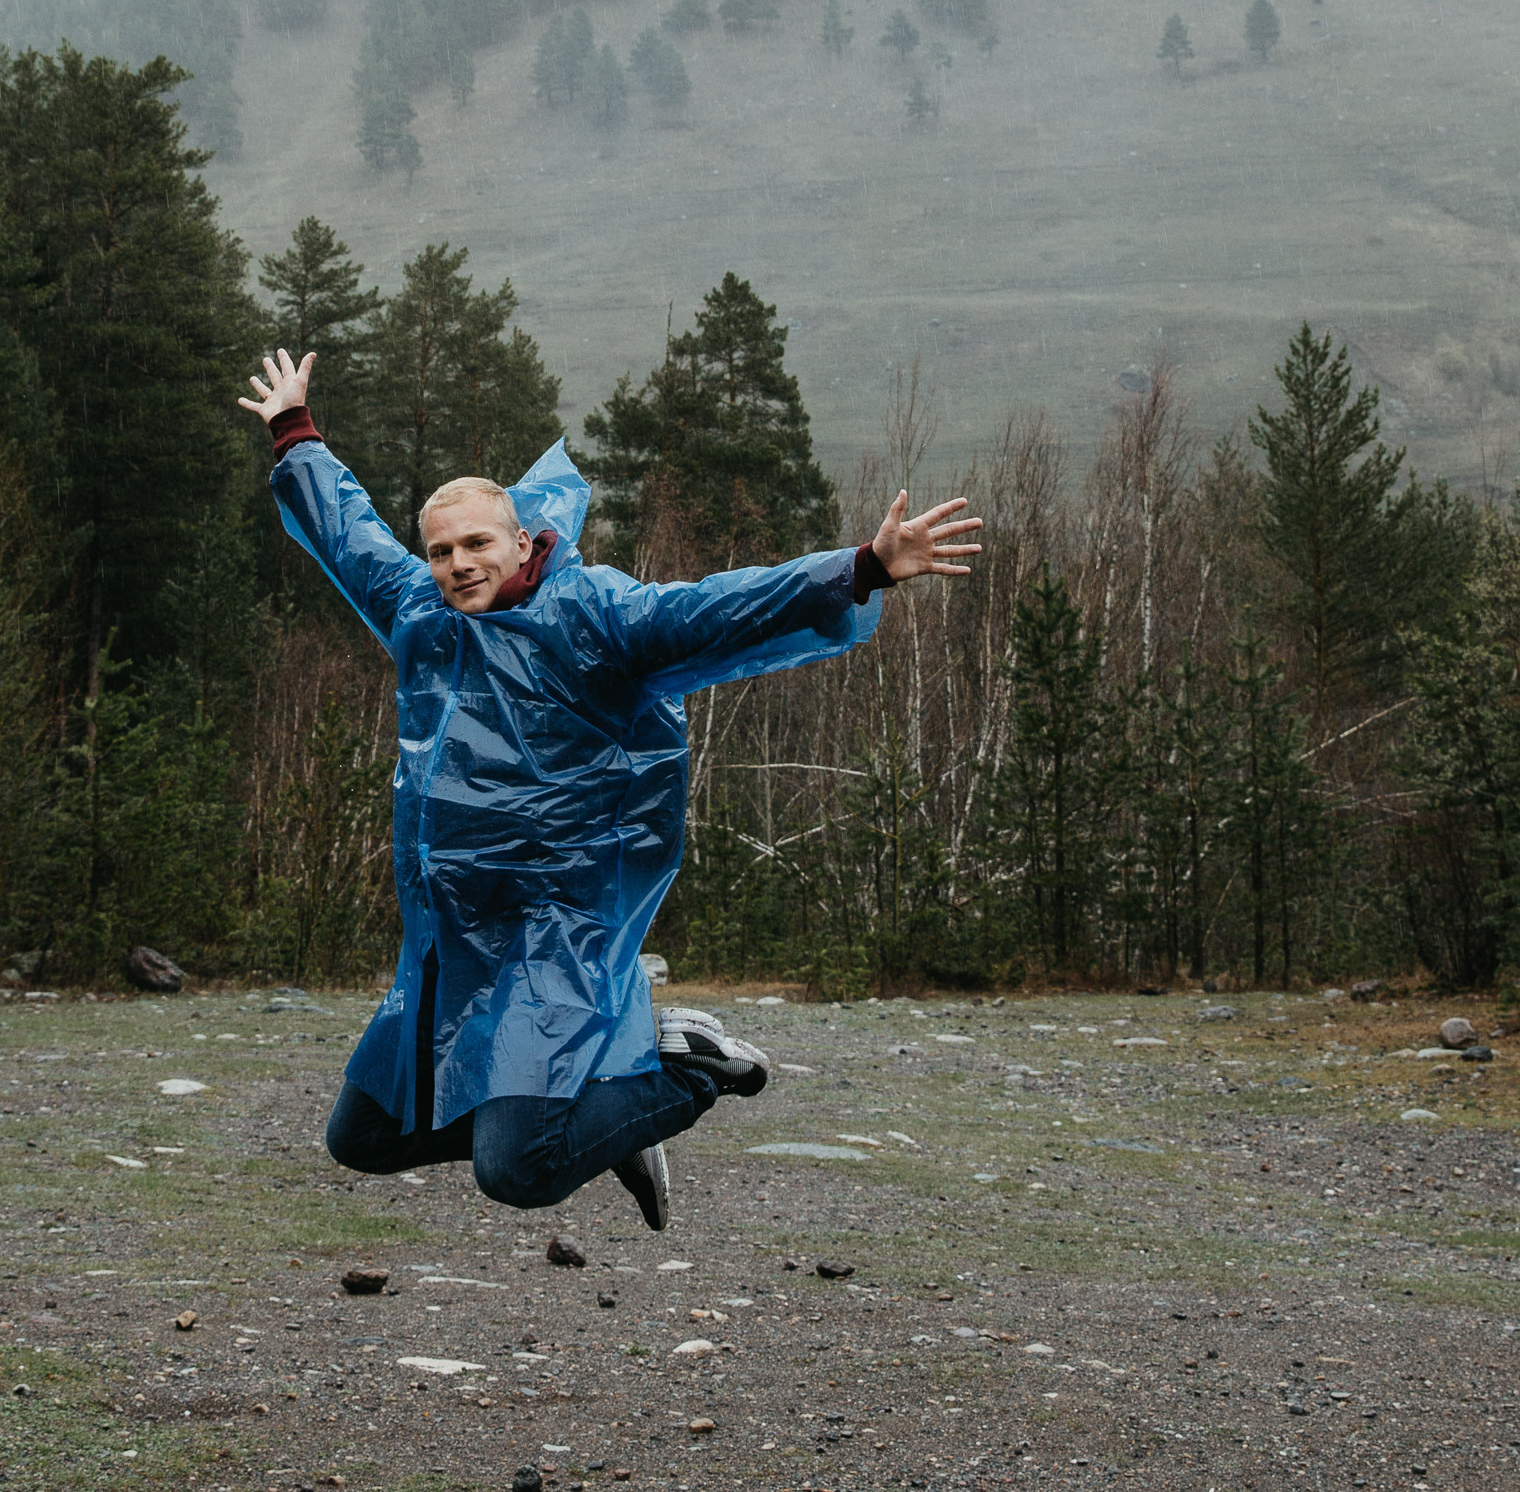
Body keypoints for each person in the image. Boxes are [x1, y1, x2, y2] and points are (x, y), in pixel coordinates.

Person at [239, 343, 981, 1229]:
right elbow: (347, 535)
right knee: (362, 1137)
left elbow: (717, 606)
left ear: (523, 540)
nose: (458, 564)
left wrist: (860, 566)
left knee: (518, 1170)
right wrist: (295, 431)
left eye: (477, 543)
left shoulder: (592, 615)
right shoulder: (422, 616)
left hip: (558, 931)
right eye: (440, 551)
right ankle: (605, 1116)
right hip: (457, 937)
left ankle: (681, 1066)